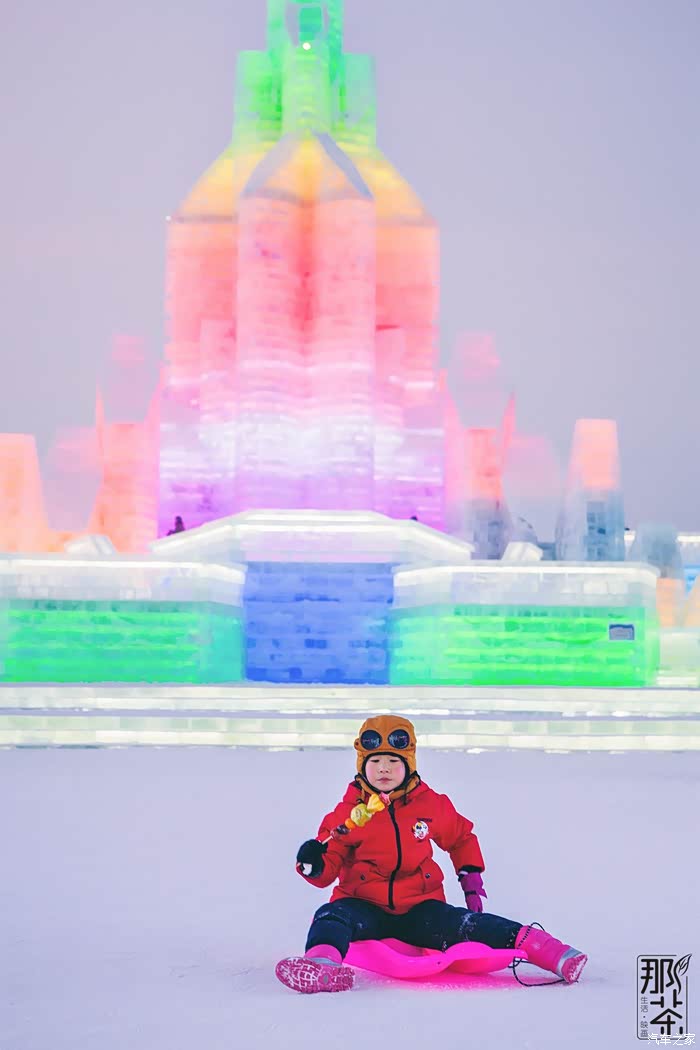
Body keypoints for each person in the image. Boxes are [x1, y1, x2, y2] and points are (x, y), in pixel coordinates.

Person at [275, 715, 587, 994]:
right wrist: (313, 864)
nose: (384, 768)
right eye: (375, 761)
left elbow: (460, 837)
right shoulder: (347, 814)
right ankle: (322, 966)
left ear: (409, 764)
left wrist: (470, 877)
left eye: (393, 761)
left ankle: (550, 951)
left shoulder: (429, 804)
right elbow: (329, 863)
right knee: (331, 916)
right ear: (362, 766)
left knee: (467, 924)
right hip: (363, 905)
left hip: (420, 906)